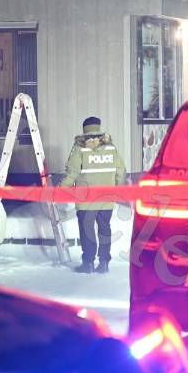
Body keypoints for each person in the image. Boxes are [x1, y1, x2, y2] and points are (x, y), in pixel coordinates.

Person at [60, 117, 127, 274]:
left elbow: (72, 173)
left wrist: (60, 190)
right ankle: (104, 263)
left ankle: (88, 263)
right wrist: (117, 189)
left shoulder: (80, 148)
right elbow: (121, 171)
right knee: (104, 230)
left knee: (87, 231)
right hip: (106, 198)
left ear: (85, 130)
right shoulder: (110, 147)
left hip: (86, 200)